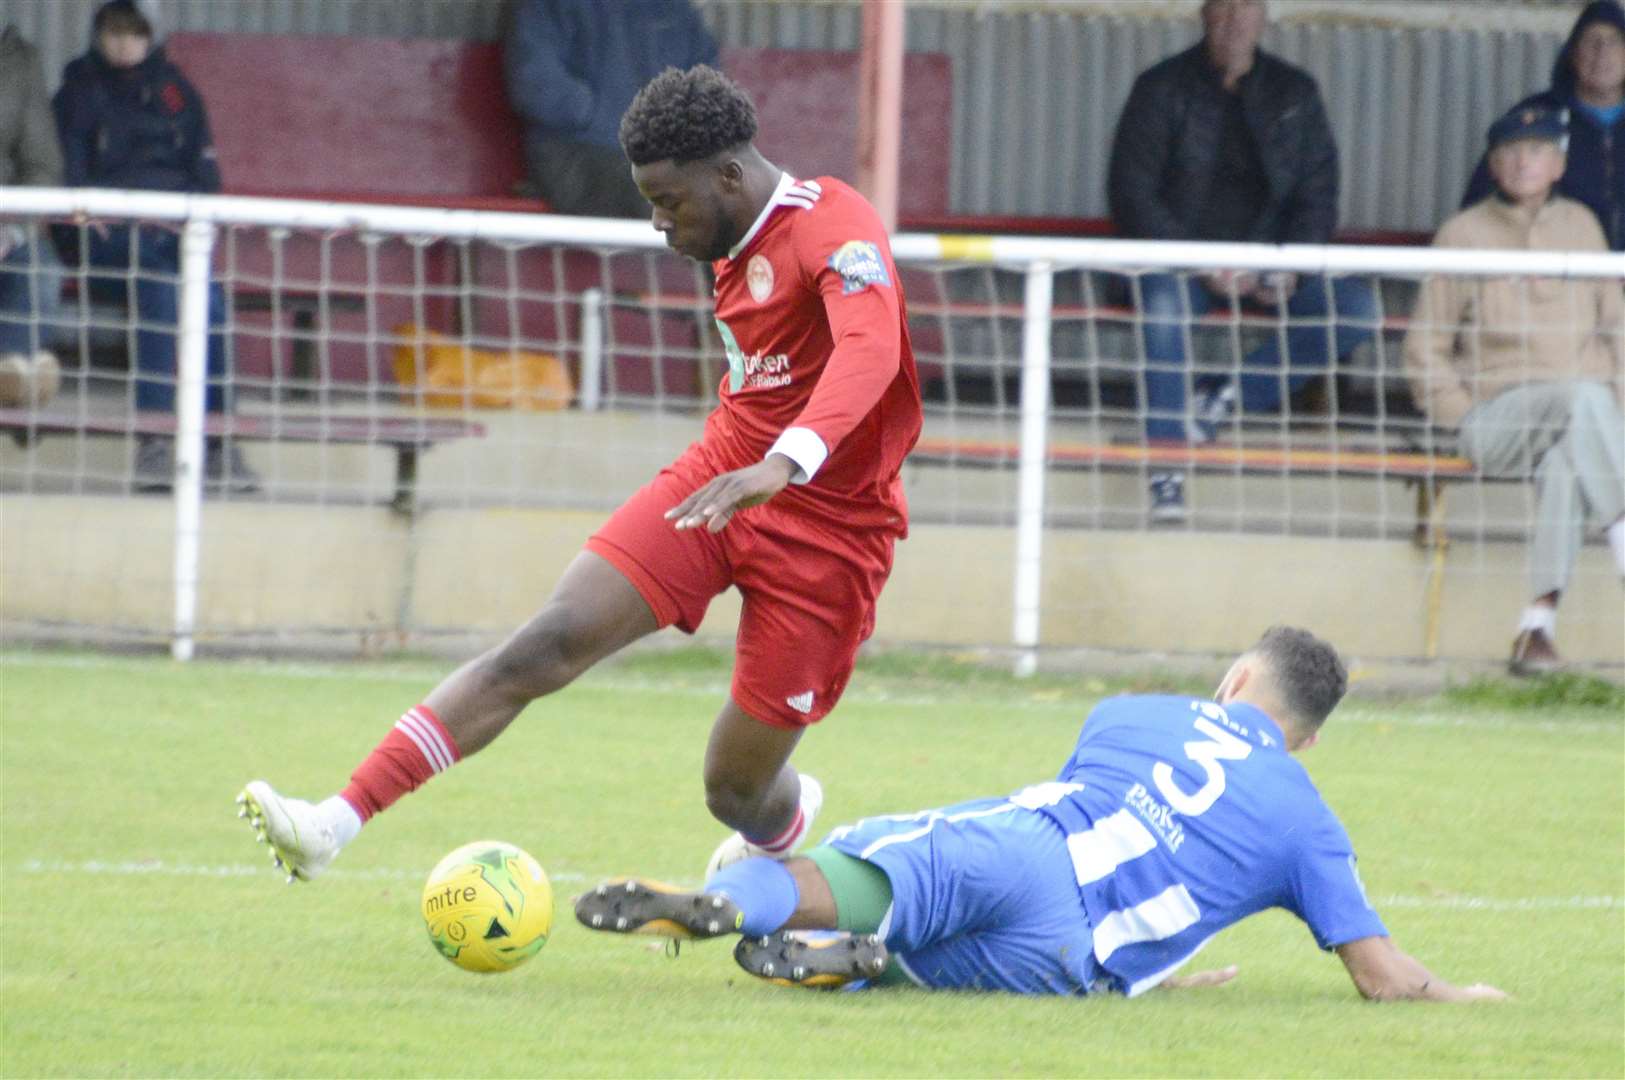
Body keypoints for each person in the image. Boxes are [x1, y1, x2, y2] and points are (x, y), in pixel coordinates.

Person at [238, 65, 924, 886]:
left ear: (729, 176)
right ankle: (333, 822)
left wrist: (787, 462)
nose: (658, 223)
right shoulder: (729, 237)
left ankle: (784, 824)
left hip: (831, 535)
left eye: (669, 201)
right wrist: (757, 463)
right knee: (547, 642)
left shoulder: (835, 225)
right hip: (720, 483)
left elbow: (870, 351)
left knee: (734, 790)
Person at [576, 627, 1509, 1003]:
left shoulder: (1132, 713)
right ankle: (859, 969)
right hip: (1074, 963)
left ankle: (729, 900)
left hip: (1032, 851)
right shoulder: (1309, 824)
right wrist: (1460, 998)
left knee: (869, 870)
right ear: (1303, 742)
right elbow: (1380, 977)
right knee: (928, 965)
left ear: (1232, 682)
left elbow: (1101, 821)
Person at [1106, 0, 1378, 523]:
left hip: (1272, 264)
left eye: (1246, 9)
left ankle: (1223, 396)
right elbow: (1132, 193)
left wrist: (1290, 266)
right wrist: (1202, 263)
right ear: (1203, 15)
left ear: (1263, 19)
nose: (1234, 21)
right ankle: (1167, 468)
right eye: (1223, 9)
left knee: (1357, 310)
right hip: (1183, 264)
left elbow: (1318, 196)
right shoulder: (1161, 87)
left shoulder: (1295, 92)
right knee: (1161, 308)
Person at [1406, 104, 1625, 678]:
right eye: (1510, 151)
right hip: (1498, 418)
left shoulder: (1582, 226)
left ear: (1558, 163)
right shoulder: (1463, 234)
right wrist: (1464, 415)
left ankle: (1536, 629)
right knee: (1581, 398)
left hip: (1589, 423)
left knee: (1567, 462)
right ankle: (1623, 525)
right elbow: (1424, 348)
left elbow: (1618, 327)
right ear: (1493, 164)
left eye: (1537, 150)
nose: (1523, 161)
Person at [52, 0, 256, 492]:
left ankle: (217, 439)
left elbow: (205, 173)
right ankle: (155, 440)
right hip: (104, 239)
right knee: (163, 286)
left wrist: (191, 216)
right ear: (98, 36)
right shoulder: (77, 92)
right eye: (114, 33)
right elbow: (67, 180)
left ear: (151, 36)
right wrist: (87, 217)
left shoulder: (176, 92)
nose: (124, 44)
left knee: (208, 296)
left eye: (134, 33)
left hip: (172, 231)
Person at [504, 0, 719, 218]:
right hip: (575, 150)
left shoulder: (675, 9)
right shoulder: (547, 6)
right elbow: (535, 84)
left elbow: (705, 86)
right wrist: (596, 115)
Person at [1462, 1, 1625, 252]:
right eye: (1591, 41)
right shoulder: (1537, 117)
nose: (1602, 52)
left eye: (1615, 41)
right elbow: (1481, 201)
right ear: (1572, 53)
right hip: (1554, 274)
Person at [0, 24, 64, 408]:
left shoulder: (19, 62)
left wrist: (10, 229)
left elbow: (43, 165)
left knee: (40, 267)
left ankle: (15, 395)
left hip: (5, 223)